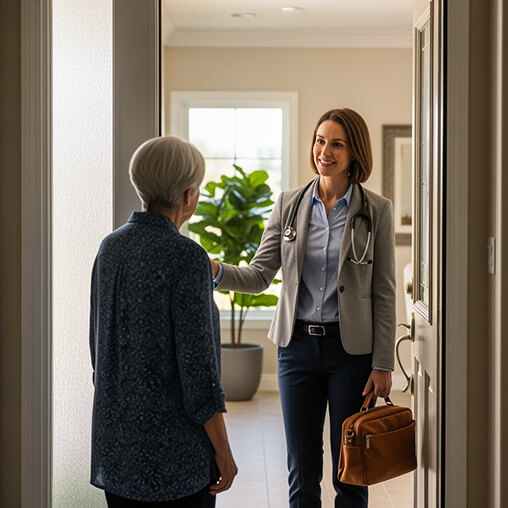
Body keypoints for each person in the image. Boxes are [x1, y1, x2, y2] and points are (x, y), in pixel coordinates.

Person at [210, 108, 395, 508]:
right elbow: (260, 274)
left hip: (351, 353)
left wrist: (383, 363)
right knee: (302, 470)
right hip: (296, 350)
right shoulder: (290, 204)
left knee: (351, 470)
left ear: (354, 153)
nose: (324, 151)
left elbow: (384, 291)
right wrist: (215, 270)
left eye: (337, 144)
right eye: (320, 140)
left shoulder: (376, 209)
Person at [89, 136, 238, 508]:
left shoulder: (110, 248)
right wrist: (224, 452)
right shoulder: (187, 257)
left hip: (116, 451)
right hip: (177, 460)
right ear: (189, 195)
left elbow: (99, 350)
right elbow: (199, 373)